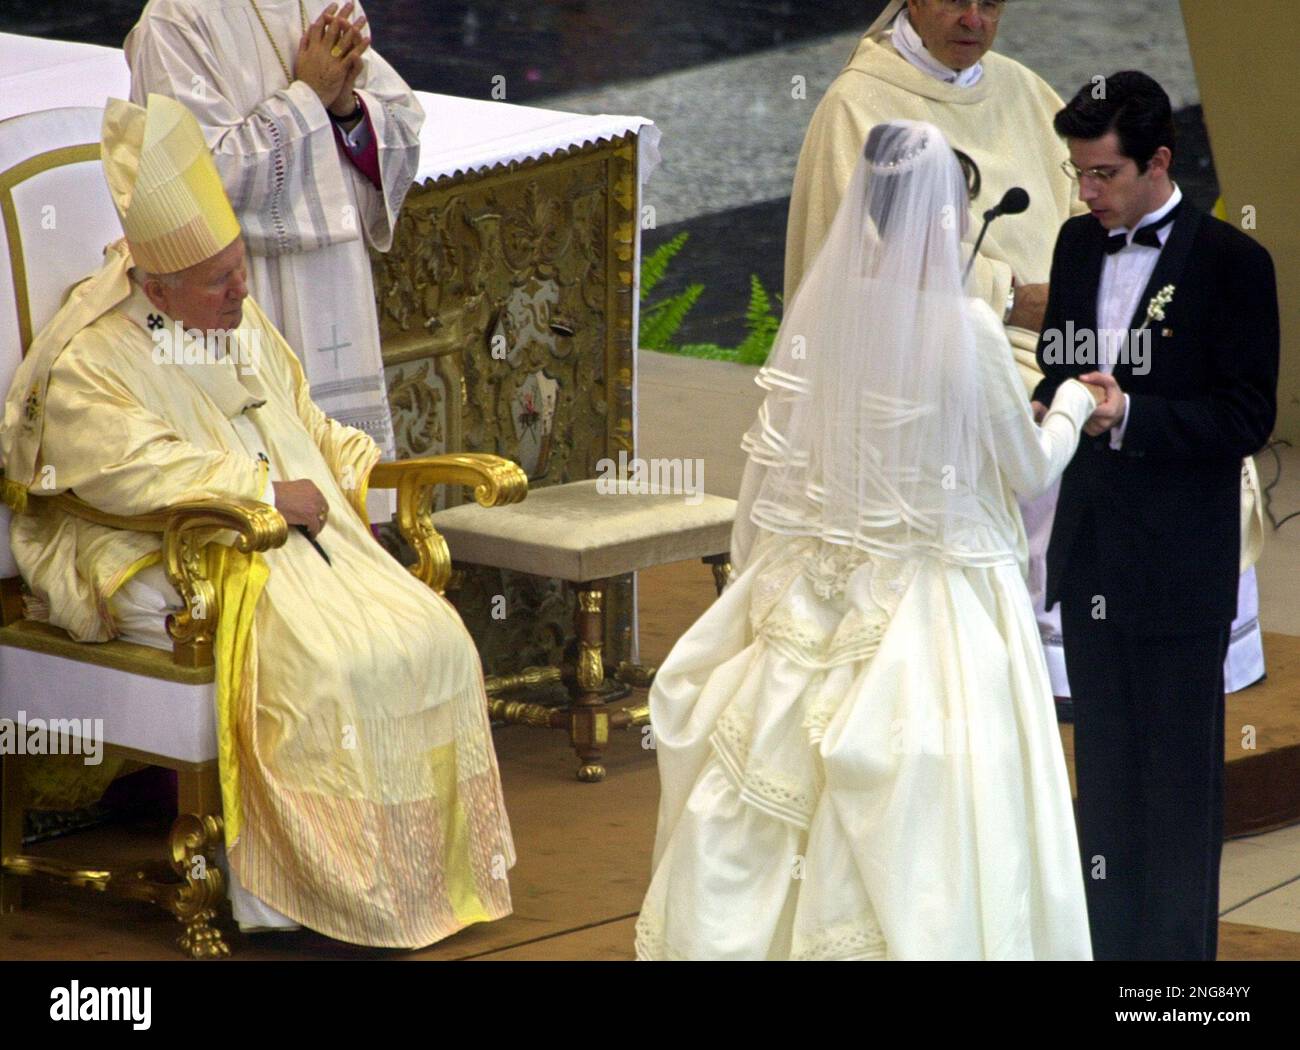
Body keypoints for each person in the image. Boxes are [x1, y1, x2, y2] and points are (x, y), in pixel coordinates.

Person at [0, 94, 514, 947]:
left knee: (437, 637)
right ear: (156, 283)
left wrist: (364, 471)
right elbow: (132, 469)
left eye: (241, 266)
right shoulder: (91, 358)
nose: (243, 288)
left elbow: (301, 417)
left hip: (302, 537)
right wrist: (264, 492)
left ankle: (417, 877)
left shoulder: (231, 315)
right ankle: (299, 892)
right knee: (327, 665)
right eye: (221, 280)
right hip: (165, 542)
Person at [635, 120, 1103, 960]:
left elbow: (794, 461)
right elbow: (1030, 470)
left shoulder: (829, 321)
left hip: (824, 580)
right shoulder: (969, 331)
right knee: (952, 805)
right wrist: (1072, 405)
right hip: (942, 591)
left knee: (788, 792)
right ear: (947, 219)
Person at [784, 0, 1267, 713]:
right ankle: (1063, 661)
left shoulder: (1017, 85)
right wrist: (1009, 299)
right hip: (942, 333)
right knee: (1046, 454)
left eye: (992, 2)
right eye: (957, 0)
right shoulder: (856, 106)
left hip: (1076, 324)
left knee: (1179, 413)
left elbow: (1093, 207)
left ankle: (1177, 639)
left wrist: (1097, 292)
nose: (975, 19)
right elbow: (865, 258)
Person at [1034, 72, 1279, 960]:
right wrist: (1046, 405)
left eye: (1103, 174)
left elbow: (1247, 416)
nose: (1088, 193)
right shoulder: (1073, 245)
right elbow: (1057, 365)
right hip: (1093, 551)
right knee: (1102, 783)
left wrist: (1128, 414)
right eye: (1080, 175)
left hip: (1178, 563)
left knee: (1176, 793)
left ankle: (1173, 991)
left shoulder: (1232, 264)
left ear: (1159, 162)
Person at [125, 0, 425, 518]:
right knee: (269, 490)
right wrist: (308, 97)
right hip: (240, 286)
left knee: (346, 497)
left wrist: (348, 109)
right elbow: (197, 180)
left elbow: (399, 124)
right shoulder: (176, 21)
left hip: (334, 280)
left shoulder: (327, 4)